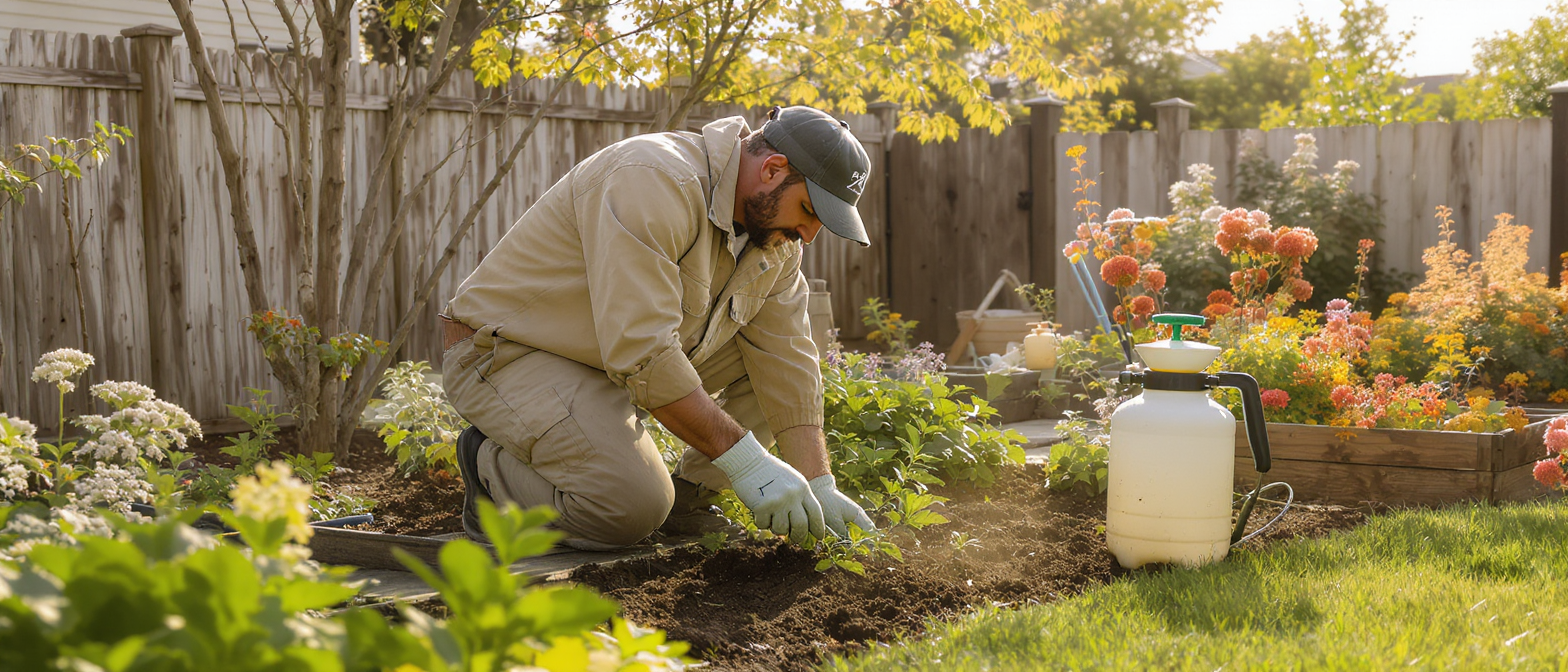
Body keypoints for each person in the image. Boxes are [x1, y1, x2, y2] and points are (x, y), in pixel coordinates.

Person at [438, 105, 877, 550]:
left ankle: (690, 501)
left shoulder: (775, 242)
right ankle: (490, 469)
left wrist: (820, 482)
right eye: (809, 209)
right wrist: (748, 464)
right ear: (772, 168)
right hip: (510, 353)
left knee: (764, 371)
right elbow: (643, 351)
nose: (809, 233)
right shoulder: (653, 177)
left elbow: (789, 365)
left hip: (605, 364)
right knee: (630, 508)